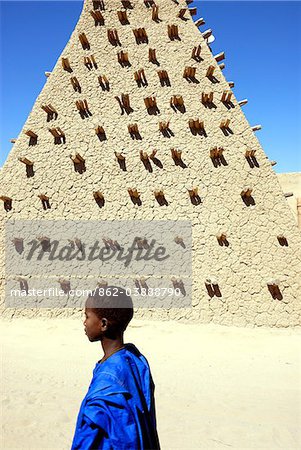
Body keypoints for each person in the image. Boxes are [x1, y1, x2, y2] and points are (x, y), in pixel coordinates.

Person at [71, 286, 160, 450]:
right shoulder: (136, 360)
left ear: (103, 324)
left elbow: (87, 441)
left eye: (87, 316)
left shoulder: (105, 385)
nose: (84, 322)